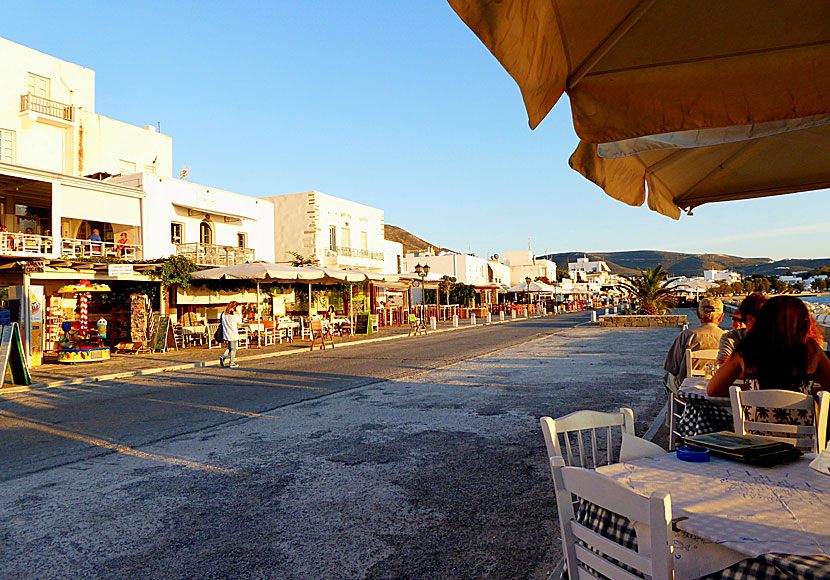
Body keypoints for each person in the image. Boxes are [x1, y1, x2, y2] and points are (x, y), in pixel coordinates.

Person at [708, 296, 830, 398]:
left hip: (754, 427)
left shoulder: (747, 350)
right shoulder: (810, 350)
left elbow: (713, 390)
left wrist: (748, 392)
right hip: (802, 426)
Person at [664, 297, 725, 386]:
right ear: (721, 316)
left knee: (667, 378)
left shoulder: (687, 335)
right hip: (719, 385)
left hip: (689, 385)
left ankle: (674, 399)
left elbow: (672, 366)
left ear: (698, 314)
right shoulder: (728, 338)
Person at [717, 293, 767, 363]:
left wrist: (735, 362)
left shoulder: (775, 339)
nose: (736, 323)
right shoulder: (730, 338)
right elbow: (722, 365)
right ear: (750, 319)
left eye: (740, 320)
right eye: (734, 319)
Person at [219, 301, 242, 368]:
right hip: (233, 334)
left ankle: (223, 357)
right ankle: (231, 363)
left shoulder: (223, 314)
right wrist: (238, 314)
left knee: (230, 347)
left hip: (225, 334)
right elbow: (239, 322)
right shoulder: (234, 316)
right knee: (233, 349)